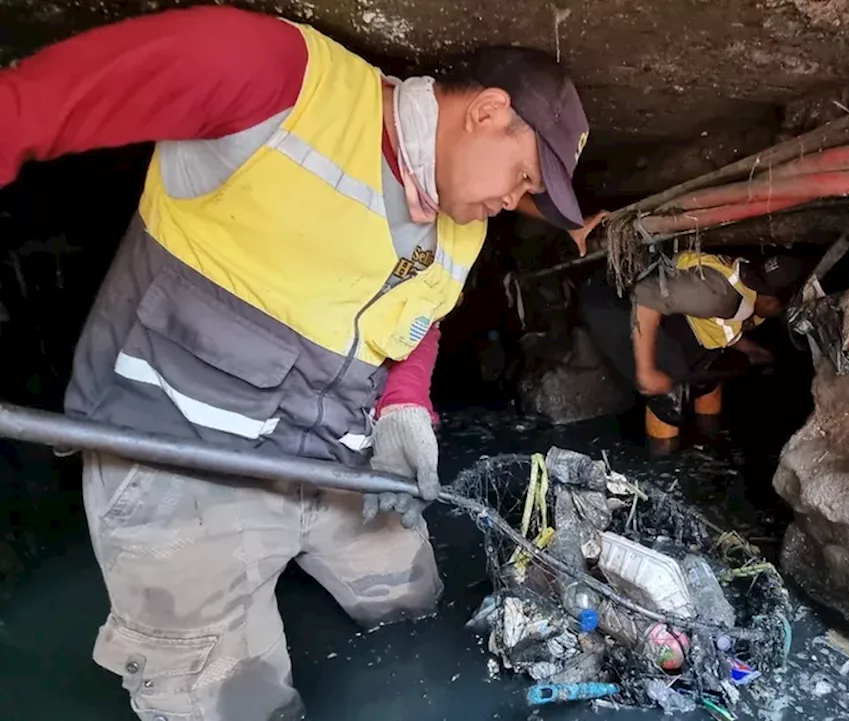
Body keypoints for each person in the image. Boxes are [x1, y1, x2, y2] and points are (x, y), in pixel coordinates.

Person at [0, 6, 605, 720]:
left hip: (336, 459)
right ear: (488, 111)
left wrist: (404, 404)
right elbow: (30, 106)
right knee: (244, 705)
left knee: (414, 603)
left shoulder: (463, 229)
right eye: (524, 174)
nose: (514, 201)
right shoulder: (276, 77)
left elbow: (421, 318)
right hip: (181, 460)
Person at [579, 249, 806, 447]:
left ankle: (707, 448)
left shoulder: (751, 283)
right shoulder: (720, 294)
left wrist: (750, 351)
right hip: (613, 302)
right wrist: (646, 371)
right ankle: (664, 465)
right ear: (771, 302)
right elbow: (646, 297)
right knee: (669, 396)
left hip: (669, 310)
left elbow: (718, 327)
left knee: (707, 378)